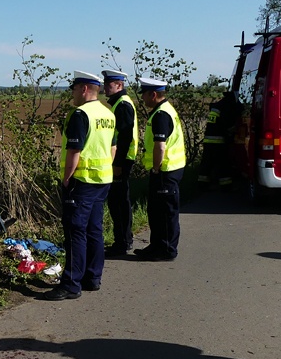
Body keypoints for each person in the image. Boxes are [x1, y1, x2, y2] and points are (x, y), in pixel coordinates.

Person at [44, 71, 115, 301]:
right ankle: (92, 278)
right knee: (94, 230)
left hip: (82, 182)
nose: (72, 94)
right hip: (103, 180)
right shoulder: (107, 114)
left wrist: (67, 178)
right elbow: (113, 148)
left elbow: (74, 150)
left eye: (74, 89)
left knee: (75, 231)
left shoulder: (80, 114)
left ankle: (71, 284)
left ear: (84, 89)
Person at [135, 78, 186, 262]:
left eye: (144, 94)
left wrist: (156, 168)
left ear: (153, 94)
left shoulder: (161, 114)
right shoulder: (163, 110)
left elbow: (160, 146)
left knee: (165, 213)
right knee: (156, 211)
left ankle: (166, 250)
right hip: (168, 169)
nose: (142, 98)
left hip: (165, 170)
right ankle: (156, 245)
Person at [102, 70, 138, 257]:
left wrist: (117, 163)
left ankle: (122, 243)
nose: (105, 87)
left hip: (122, 160)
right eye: (105, 83)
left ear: (119, 86)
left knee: (119, 203)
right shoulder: (119, 103)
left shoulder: (122, 105)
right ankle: (122, 240)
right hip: (121, 159)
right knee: (118, 201)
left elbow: (124, 138)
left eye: (110, 84)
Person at [198, 90, 241, 191]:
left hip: (208, 141)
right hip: (219, 141)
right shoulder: (226, 107)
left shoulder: (217, 106)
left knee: (206, 164)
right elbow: (226, 125)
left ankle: (201, 186)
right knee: (223, 164)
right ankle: (226, 186)